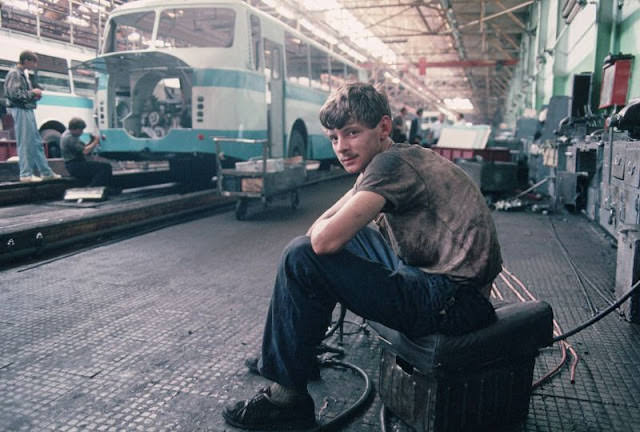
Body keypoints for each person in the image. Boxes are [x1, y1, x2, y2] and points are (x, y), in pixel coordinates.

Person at [222, 82, 503, 431]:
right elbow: (319, 232)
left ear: (384, 127)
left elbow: (319, 243)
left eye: (352, 133)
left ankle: (287, 400)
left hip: (453, 302)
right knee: (341, 242)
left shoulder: (390, 165)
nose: (342, 147)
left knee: (301, 257)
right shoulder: (392, 159)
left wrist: (330, 235)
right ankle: (293, 355)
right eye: (334, 137)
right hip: (439, 282)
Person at [3, 50, 61, 183]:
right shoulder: (15, 74)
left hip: (26, 109)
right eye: (34, 62)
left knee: (36, 142)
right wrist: (32, 93)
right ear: (26, 61)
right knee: (26, 143)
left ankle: (46, 172)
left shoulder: (23, 74)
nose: (35, 65)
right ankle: (25, 174)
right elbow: (14, 94)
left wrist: (34, 95)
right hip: (21, 110)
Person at [61, 117, 114, 189]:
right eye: (81, 130)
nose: (82, 132)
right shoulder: (69, 138)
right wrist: (96, 141)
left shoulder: (69, 134)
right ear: (75, 129)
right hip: (75, 165)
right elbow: (85, 151)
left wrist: (91, 141)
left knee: (101, 167)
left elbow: (82, 148)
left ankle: (106, 187)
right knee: (105, 168)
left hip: (75, 164)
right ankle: (93, 188)